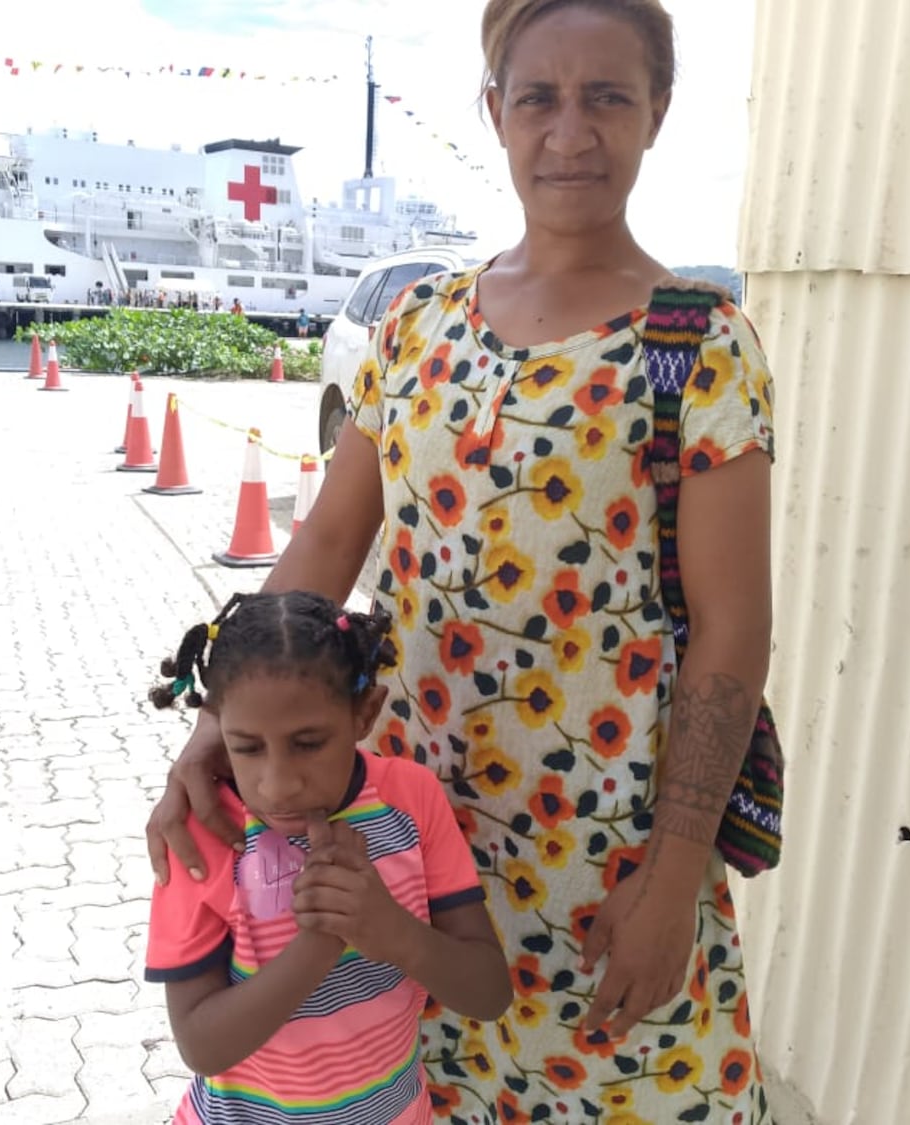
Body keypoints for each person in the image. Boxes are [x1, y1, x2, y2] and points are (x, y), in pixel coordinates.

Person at [146, 0, 777, 1120]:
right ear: (494, 110)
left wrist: (676, 872)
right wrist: (214, 729)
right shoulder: (419, 329)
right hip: (401, 841)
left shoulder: (699, 345)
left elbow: (734, 630)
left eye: (608, 97)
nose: (569, 132)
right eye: (538, 96)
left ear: (658, 114)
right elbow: (329, 543)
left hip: (606, 849)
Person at [145, 592, 511, 1124]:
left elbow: (489, 992)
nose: (278, 784)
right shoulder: (201, 835)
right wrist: (320, 944)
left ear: (364, 714)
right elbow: (203, 1047)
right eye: (246, 747)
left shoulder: (410, 800)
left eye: (310, 742)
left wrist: (392, 931)